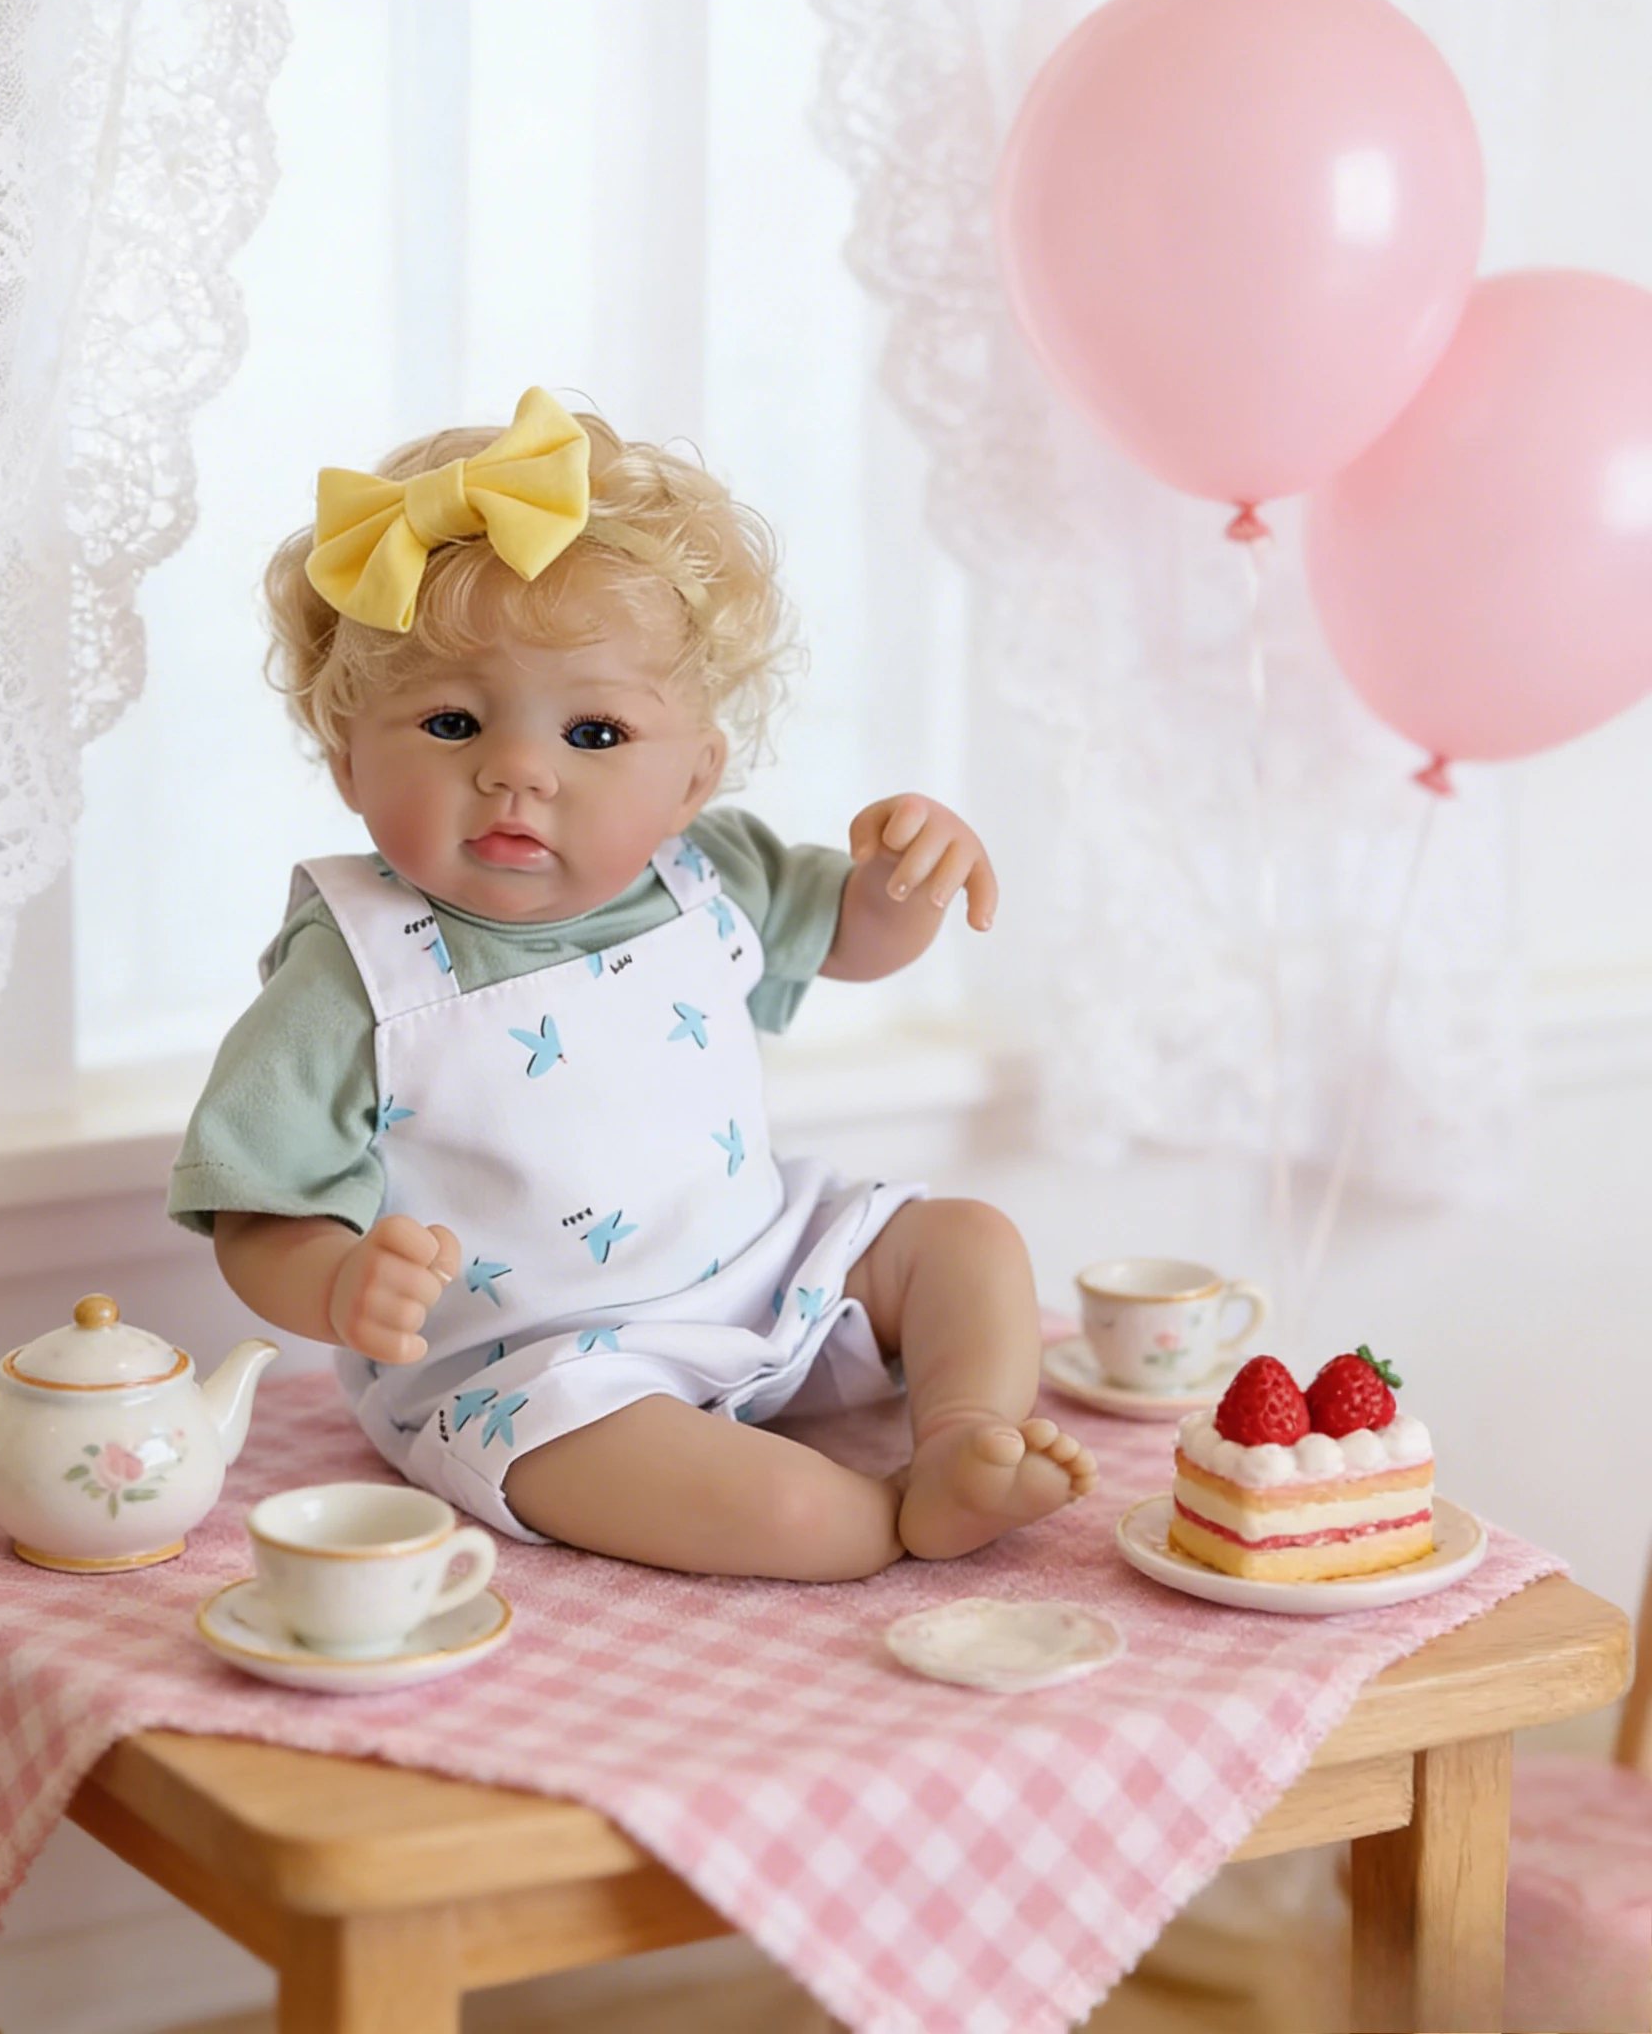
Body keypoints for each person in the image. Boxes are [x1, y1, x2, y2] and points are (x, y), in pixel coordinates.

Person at [170, 388, 1095, 1581]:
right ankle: (875, 1518)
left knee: (964, 1239)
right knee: (794, 1521)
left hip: (765, 1271)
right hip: (534, 1368)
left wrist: (909, 877)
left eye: (592, 735)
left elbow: (854, 940)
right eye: (450, 721)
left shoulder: (707, 875)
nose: (515, 772)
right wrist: (340, 1278)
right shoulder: (350, 971)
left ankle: (966, 1436)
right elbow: (258, 1213)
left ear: (693, 775)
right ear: (348, 756)